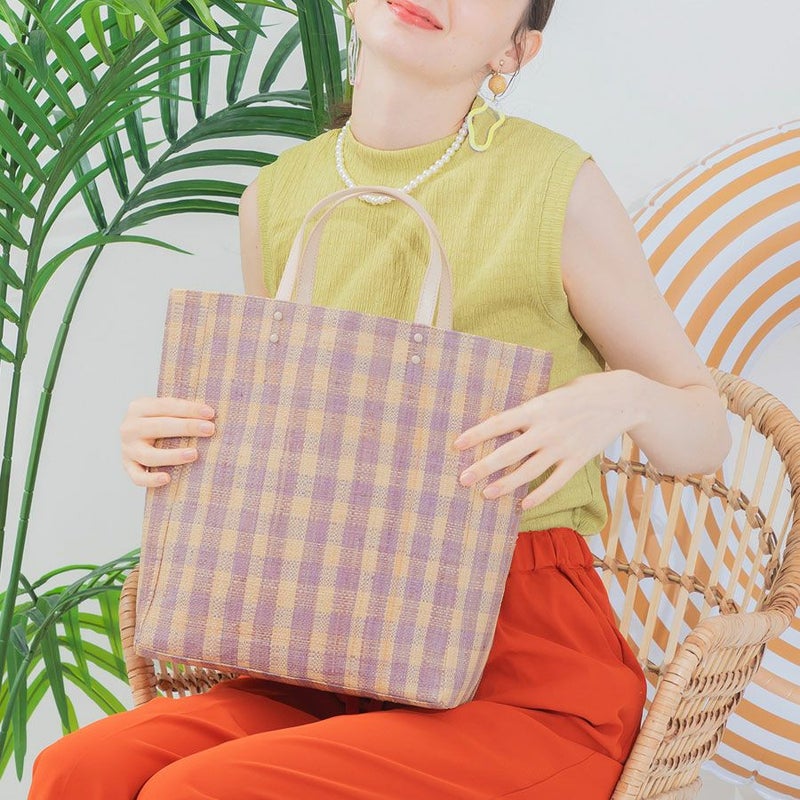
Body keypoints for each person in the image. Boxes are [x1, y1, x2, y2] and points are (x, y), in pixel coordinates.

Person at [29, 1, 732, 798]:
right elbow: (285, 434)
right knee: (78, 769)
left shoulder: (553, 186)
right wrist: (172, 442)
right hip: (322, 643)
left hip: (525, 666)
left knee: (203, 791)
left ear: (514, 51)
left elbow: (706, 429)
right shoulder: (278, 198)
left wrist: (617, 398)